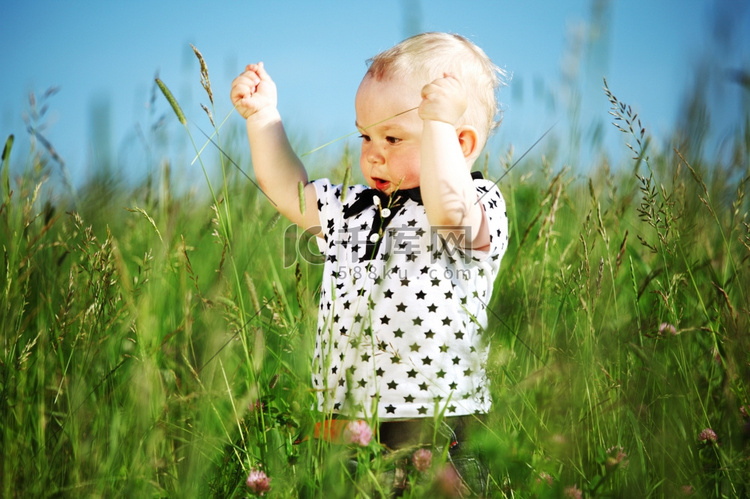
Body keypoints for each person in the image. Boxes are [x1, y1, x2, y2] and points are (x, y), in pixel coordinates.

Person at [231, 31, 509, 491]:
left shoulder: (478, 204)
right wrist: (263, 118)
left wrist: (437, 125)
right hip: (343, 420)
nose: (373, 153)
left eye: (394, 137)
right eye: (366, 135)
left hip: (434, 421)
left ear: (460, 143)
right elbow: (290, 193)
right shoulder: (354, 206)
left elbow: (449, 213)